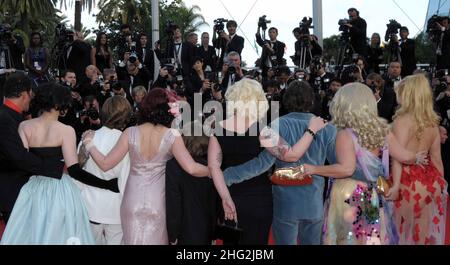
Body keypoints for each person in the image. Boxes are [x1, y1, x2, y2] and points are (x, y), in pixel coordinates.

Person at [296, 82, 428, 245]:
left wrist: (314, 169)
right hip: (373, 193)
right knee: (371, 237)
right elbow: (404, 156)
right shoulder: (383, 131)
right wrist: (417, 157)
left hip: (349, 193)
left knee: (348, 238)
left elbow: (346, 169)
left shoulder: (345, 134)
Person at [81, 88, 210, 245]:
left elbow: (105, 164)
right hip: (158, 202)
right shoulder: (172, 135)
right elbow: (192, 168)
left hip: (131, 200)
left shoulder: (130, 132)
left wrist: (89, 144)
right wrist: (213, 172)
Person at [1, 82, 118, 244]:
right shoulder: (66, 130)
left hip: (32, 190)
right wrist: (107, 184)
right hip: (61, 191)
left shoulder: (25, 126)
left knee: (33, 234)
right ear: (60, 104)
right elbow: (75, 171)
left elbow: (24, 162)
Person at [221, 80, 332, 245]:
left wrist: (228, 176)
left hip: (286, 202)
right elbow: (338, 165)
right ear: (312, 101)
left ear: (286, 100)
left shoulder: (277, 125)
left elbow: (262, 163)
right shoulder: (326, 127)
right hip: (314, 201)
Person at [208, 78, 274, 245]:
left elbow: (213, 166)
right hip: (260, 199)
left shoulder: (219, 128)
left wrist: (225, 198)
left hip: (231, 198)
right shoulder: (263, 129)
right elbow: (288, 154)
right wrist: (310, 132)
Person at [391, 74, 448, 245]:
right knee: (421, 236)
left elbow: (397, 157)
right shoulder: (432, 123)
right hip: (430, 182)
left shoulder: (402, 121)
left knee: (401, 234)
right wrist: (441, 186)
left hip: (406, 183)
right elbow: (437, 160)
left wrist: (395, 185)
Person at [0, 73, 62, 224]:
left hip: (18, 190)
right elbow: (19, 157)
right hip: (11, 191)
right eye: (31, 94)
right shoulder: (5, 119)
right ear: (24, 94)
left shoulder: (13, 117)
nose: (32, 98)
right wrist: (56, 167)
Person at [76, 96, 132, 245]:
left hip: (89, 206)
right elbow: (127, 181)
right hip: (116, 208)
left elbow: (78, 175)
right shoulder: (128, 142)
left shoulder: (87, 137)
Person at [166, 121, 216, 245]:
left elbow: (173, 202)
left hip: (183, 231)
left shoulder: (174, 165)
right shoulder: (212, 167)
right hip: (205, 230)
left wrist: (172, 234)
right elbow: (214, 203)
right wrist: (214, 231)